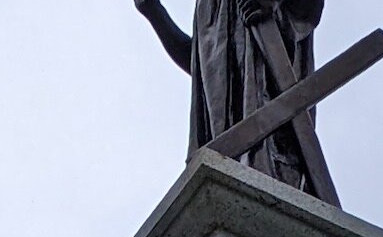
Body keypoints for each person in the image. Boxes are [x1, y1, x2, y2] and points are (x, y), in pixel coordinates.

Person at [135, 0, 325, 193]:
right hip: (221, 149)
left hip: (272, 140)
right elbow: (202, 66)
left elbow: (308, 9)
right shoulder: (206, 5)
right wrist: (154, 11)